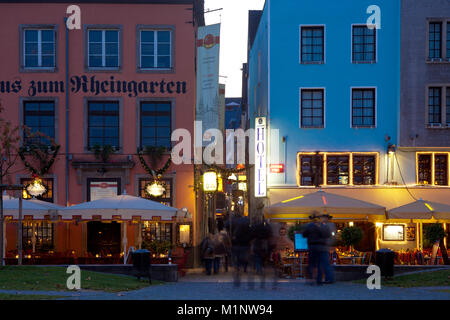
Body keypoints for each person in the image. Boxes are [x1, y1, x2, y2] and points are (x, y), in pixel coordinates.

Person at [302, 212, 331, 285]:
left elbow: (304, 234)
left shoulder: (309, 226)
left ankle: (310, 280)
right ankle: (319, 280)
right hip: (321, 247)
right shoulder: (322, 226)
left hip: (312, 246)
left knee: (311, 263)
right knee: (319, 264)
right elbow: (327, 235)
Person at [225, 213, 252, 287]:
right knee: (242, 258)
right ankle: (243, 268)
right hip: (244, 245)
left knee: (236, 258)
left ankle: (237, 269)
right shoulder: (246, 223)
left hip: (235, 245)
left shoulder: (232, 223)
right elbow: (250, 234)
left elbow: (227, 229)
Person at [319, 213, 335, 284]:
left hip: (325, 247)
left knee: (326, 263)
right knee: (323, 263)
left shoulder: (331, 225)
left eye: (323, 218)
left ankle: (329, 279)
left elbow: (332, 236)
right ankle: (325, 278)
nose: (321, 219)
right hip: (321, 247)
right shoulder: (320, 225)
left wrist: (330, 245)